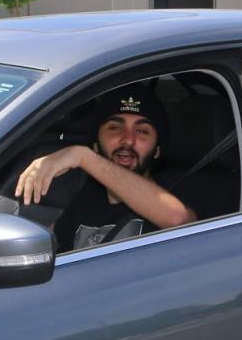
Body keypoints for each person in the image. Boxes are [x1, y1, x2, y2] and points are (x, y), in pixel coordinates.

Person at [16, 87, 203, 251]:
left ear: (157, 151)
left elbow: (181, 221)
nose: (128, 139)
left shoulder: (174, 196)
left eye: (142, 131)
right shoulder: (88, 197)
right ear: (96, 145)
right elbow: (47, 245)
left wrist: (83, 157)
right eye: (115, 127)